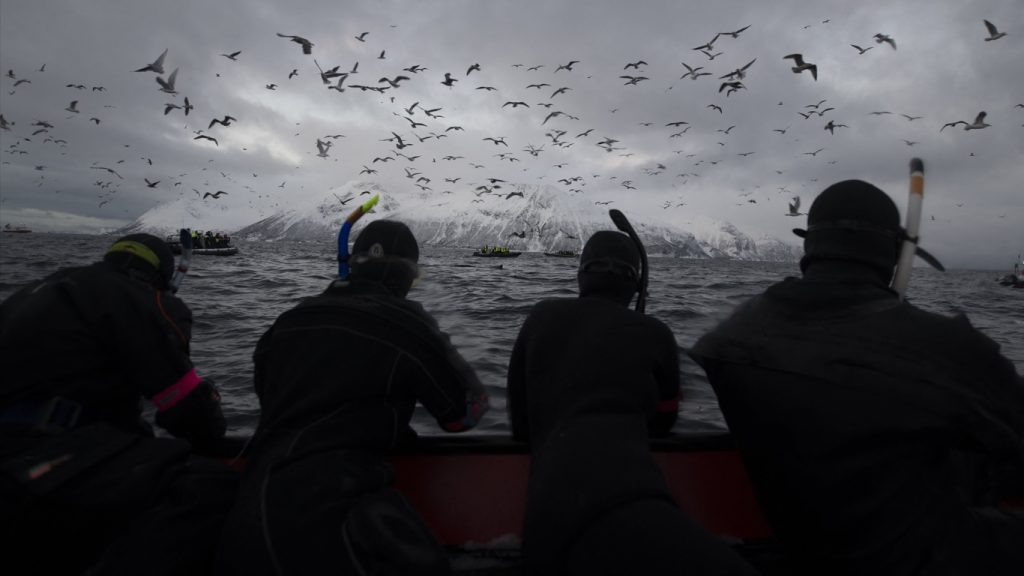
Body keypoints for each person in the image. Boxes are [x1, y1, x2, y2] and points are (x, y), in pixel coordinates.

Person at [690, 180, 1024, 575]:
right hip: (926, 558)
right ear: (897, 252)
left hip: (798, 547)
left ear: (807, 247)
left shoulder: (727, 336)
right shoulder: (947, 349)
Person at [219, 219, 490, 575]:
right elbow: (460, 416)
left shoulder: (287, 322)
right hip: (333, 524)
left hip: (246, 519)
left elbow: (271, 400)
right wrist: (443, 348)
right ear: (406, 277)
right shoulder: (406, 326)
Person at [507, 230, 759, 575]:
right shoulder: (655, 333)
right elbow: (663, 423)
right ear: (635, 286)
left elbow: (521, 424)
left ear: (581, 275)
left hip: (545, 525)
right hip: (631, 504)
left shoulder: (540, 317)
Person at [0, 233, 236, 575]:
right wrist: (214, 439)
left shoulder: (36, 289)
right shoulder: (143, 300)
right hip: (48, 452)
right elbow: (185, 408)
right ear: (160, 274)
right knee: (211, 487)